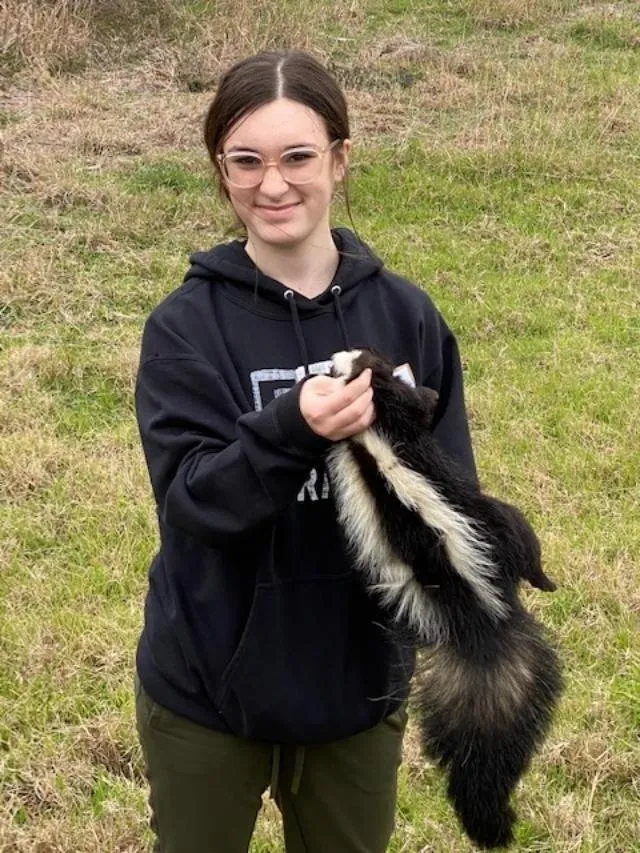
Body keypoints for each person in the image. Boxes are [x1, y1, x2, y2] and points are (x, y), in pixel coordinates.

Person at [133, 50, 477, 853]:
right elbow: (193, 500)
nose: (272, 185)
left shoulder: (406, 316)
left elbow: (451, 497)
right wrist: (295, 426)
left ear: (340, 158)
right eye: (245, 161)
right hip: (209, 688)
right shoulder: (186, 328)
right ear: (221, 171)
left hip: (357, 687)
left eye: (297, 157)